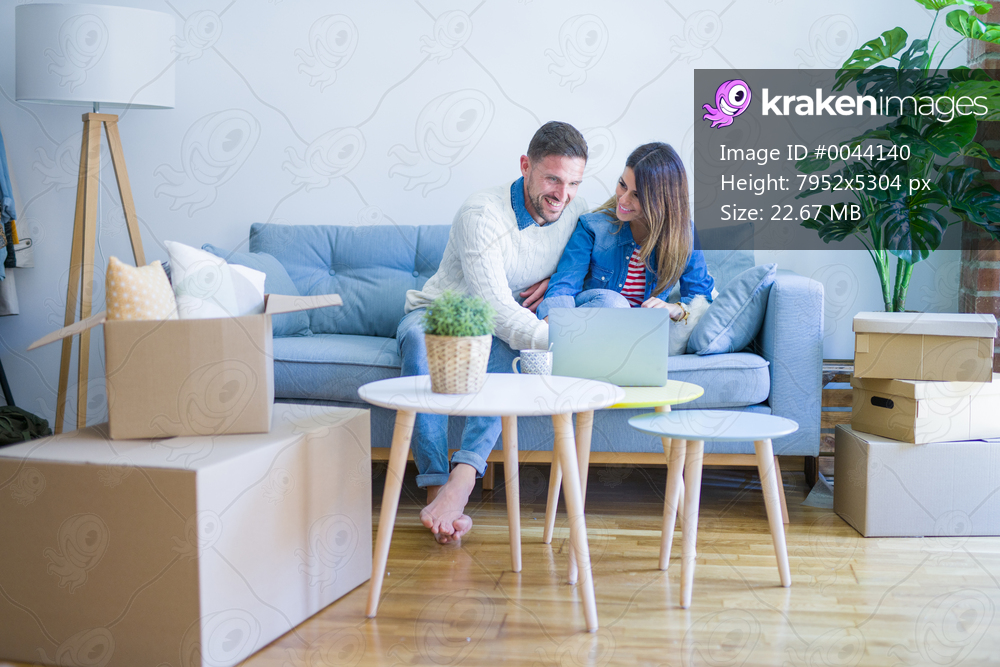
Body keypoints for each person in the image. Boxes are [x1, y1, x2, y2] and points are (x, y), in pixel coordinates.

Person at [397, 121, 589, 544]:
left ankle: (461, 482)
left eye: (573, 182)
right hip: (440, 313)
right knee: (422, 342)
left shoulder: (577, 212)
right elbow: (495, 309)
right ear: (525, 166)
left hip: (503, 326)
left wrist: (557, 279)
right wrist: (563, 343)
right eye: (553, 179)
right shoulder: (481, 213)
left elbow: (600, 251)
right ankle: (436, 489)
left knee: (511, 354)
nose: (563, 194)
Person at [537, 142, 714, 325]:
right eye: (622, 185)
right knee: (613, 303)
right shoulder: (593, 227)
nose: (622, 199)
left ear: (661, 202)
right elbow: (564, 287)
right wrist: (553, 329)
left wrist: (676, 310)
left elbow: (701, 299)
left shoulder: (684, 236)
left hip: (641, 335)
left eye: (636, 195)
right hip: (589, 329)